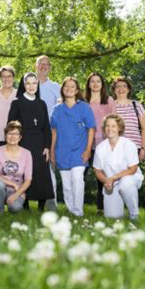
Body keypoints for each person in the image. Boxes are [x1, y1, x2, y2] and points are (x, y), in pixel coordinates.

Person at [8, 72, 55, 211]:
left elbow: (47, 127)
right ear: (23, 85)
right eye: (28, 83)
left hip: (40, 143)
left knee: (41, 174)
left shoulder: (42, 103)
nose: (31, 86)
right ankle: (25, 204)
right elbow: (11, 125)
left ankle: (41, 206)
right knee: (24, 173)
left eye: (34, 83)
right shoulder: (17, 103)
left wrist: (47, 146)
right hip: (23, 142)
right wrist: (15, 145)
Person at [50, 77, 95, 217]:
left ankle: (78, 211)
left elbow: (91, 129)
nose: (69, 89)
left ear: (77, 90)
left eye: (72, 86)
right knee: (67, 186)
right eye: (66, 86)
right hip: (62, 151)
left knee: (77, 178)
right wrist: (52, 150)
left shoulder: (84, 107)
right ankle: (71, 210)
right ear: (62, 89)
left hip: (79, 152)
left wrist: (88, 150)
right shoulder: (57, 109)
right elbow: (54, 131)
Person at [94, 114, 143, 220]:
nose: (110, 129)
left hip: (131, 178)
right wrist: (106, 181)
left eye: (113, 126)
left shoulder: (129, 145)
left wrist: (113, 177)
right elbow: (97, 170)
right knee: (112, 217)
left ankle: (134, 215)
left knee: (126, 184)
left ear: (119, 128)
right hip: (111, 183)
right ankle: (119, 210)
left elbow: (133, 169)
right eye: (107, 126)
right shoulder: (100, 148)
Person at [84, 72, 116, 213]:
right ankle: (76, 207)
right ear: (88, 84)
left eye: (98, 81)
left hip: (104, 143)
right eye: (92, 81)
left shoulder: (108, 100)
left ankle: (101, 208)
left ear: (102, 84)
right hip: (86, 143)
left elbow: (114, 121)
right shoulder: (83, 101)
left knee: (101, 176)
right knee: (81, 174)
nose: (95, 84)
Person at [0, 121, 33, 213]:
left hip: (17, 191)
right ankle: (0, 210)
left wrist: (17, 194)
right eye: (9, 133)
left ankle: (12, 204)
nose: (12, 136)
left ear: (20, 137)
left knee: (15, 208)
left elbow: (28, 180)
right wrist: (13, 184)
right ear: (5, 136)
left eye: (16, 134)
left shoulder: (27, 153)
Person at [35, 55, 61, 210]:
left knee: (49, 167)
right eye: (41, 64)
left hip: (50, 132)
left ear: (50, 67)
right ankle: (26, 202)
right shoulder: (27, 84)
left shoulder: (56, 87)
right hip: (31, 133)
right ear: (35, 66)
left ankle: (51, 201)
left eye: (47, 64)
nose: (44, 67)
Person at [111, 76, 145, 162]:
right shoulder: (111, 106)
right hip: (116, 147)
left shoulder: (137, 105)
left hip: (135, 147)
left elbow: (144, 128)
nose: (121, 89)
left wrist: (143, 148)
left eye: (124, 86)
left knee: (131, 174)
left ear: (128, 89)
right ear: (114, 90)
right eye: (118, 87)